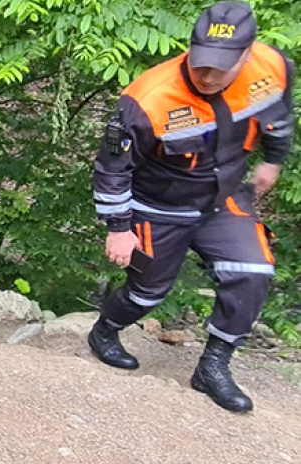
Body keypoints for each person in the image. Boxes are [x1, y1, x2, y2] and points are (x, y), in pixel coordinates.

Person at [90, 1, 295, 413]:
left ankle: (213, 367)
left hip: (224, 197)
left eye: (220, 66)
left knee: (254, 271)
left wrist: (272, 158)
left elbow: (279, 115)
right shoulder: (148, 97)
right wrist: (118, 227)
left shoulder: (272, 67)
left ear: (246, 54)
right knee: (147, 293)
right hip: (159, 205)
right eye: (201, 63)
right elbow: (112, 167)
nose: (207, 75)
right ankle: (105, 330)